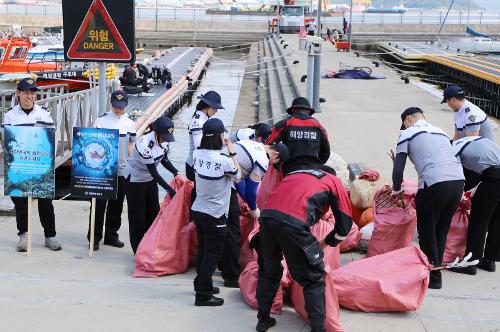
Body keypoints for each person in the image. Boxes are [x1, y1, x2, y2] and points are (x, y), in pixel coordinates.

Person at [255, 166, 352, 332]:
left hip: (267, 218)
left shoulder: (295, 172)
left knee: (269, 271)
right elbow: (345, 225)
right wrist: (328, 242)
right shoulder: (333, 182)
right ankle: (317, 329)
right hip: (294, 225)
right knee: (313, 279)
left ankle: (263, 320)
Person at [391, 107, 464, 289]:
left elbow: (398, 168)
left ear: (408, 119)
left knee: (427, 231)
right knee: (441, 230)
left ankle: (432, 276)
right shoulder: (440, 131)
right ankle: (435, 273)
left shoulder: (408, 133)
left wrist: (396, 188)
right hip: (457, 183)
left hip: (434, 183)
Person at [2, 78, 61, 252]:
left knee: (46, 202)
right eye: (26, 92)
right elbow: (6, 140)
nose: (30, 96)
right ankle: (24, 235)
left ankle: (50, 235)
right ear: (18, 93)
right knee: (20, 202)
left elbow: (52, 140)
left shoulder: (44, 114)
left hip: (40, 166)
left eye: (32, 93)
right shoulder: (10, 115)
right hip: (19, 166)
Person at [219, 140, 289, 288]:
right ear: (275, 154)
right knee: (233, 231)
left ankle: (222, 265)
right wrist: (253, 208)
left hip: (215, 177)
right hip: (223, 183)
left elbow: (240, 181)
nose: (271, 166)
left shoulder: (252, 144)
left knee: (222, 227)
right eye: (275, 162)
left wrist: (250, 205)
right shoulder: (263, 160)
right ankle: (231, 276)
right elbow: (251, 189)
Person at [191, 118, 241, 306]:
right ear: (221, 136)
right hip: (216, 214)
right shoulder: (224, 161)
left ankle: (201, 284)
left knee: (203, 251)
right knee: (211, 256)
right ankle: (203, 295)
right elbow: (239, 176)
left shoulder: (197, 154)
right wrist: (232, 151)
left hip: (199, 209)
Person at [87, 90, 136, 251]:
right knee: (98, 205)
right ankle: (94, 237)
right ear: (111, 103)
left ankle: (111, 235)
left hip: (121, 170)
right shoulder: (101, 121)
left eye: (121, 107)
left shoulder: (129, 122)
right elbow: (91, 143)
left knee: (117, 205)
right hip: (102, 171)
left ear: (126, 106)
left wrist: (132, 164)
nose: (118, 110)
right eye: (116, 106)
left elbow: (131, 144)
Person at [124, 116, 179, 254]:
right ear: (157, 132)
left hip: (149, 180)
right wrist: (170, 190)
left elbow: (163, 159)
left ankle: (150, 246)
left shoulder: (164, 141)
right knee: (138, 218)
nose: (166, 139)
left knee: (153, 214)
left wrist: (176, 172)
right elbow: (154, 172)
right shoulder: (144, 144)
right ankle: (137, 251)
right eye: (164, 136)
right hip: (135, 181)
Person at [450, 137, 500, 275]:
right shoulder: (472, 140)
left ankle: (471, 262)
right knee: (497, 219)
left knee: (479, 220)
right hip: (493, 175)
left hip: (494, 178)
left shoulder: (453, 150)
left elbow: (456, 176)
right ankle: (490, 260)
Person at [442, 85, 495, 190]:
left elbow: (471, 142)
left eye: (447, 101)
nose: (447, 105)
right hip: (475, 152)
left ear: (452, 99)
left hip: (483, 157)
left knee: (471, 184)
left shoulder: (471, 113)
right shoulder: (458, 112)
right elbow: (457, 137)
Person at [266, 97, 330, 176]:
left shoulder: (285, 123)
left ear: (293, 110)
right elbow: (326, 152)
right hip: (313, 172)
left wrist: (278, 165)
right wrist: (317, 165)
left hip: (289, 171)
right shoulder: (319, 126)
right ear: (309, 111)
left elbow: (268, 145)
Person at [186, 91, 225, 182]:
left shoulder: (203, 118)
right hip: (195, 165)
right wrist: (219, 142)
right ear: (208, 106)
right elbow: (199, 146)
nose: (216, 111)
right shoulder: (198, 122)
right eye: (215, 108)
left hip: (200, 163)